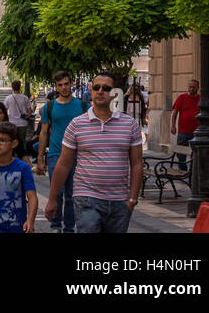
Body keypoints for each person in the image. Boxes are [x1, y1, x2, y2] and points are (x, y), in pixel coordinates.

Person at [45, 71, 143, 234]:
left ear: (114, 93)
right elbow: (63, 164)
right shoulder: (77, 124)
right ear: (90, 90)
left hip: (120, 201)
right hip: (87, 199)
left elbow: (137, 163)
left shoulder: (130, 124)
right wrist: (52, 199)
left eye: (106, 88)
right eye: (96, 87)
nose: (100, 91)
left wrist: (132, 200)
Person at [36, 71, 83, 234]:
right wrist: (40, 158)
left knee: (72, 194)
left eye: (66, 84)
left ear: (71, 84)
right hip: (56, 153)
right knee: (57, 192)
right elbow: (43, 133)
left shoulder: (83, 106)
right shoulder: (50, 107)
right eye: (60, 85)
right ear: (55, 86)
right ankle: (56, 225)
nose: (63, 87)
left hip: (77, 155)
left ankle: (69, 227)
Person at [170, 78, 200, 170]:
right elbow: (175, 112)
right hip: (183, 131)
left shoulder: (201, 99)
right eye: (190, 87)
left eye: (194, 87)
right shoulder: (182, 97)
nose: (191, 89)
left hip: (197, 132)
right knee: (181, 154)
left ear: (197, 88)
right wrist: (173, 126)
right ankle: (183, 171)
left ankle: (193, 172)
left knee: (196, 154)